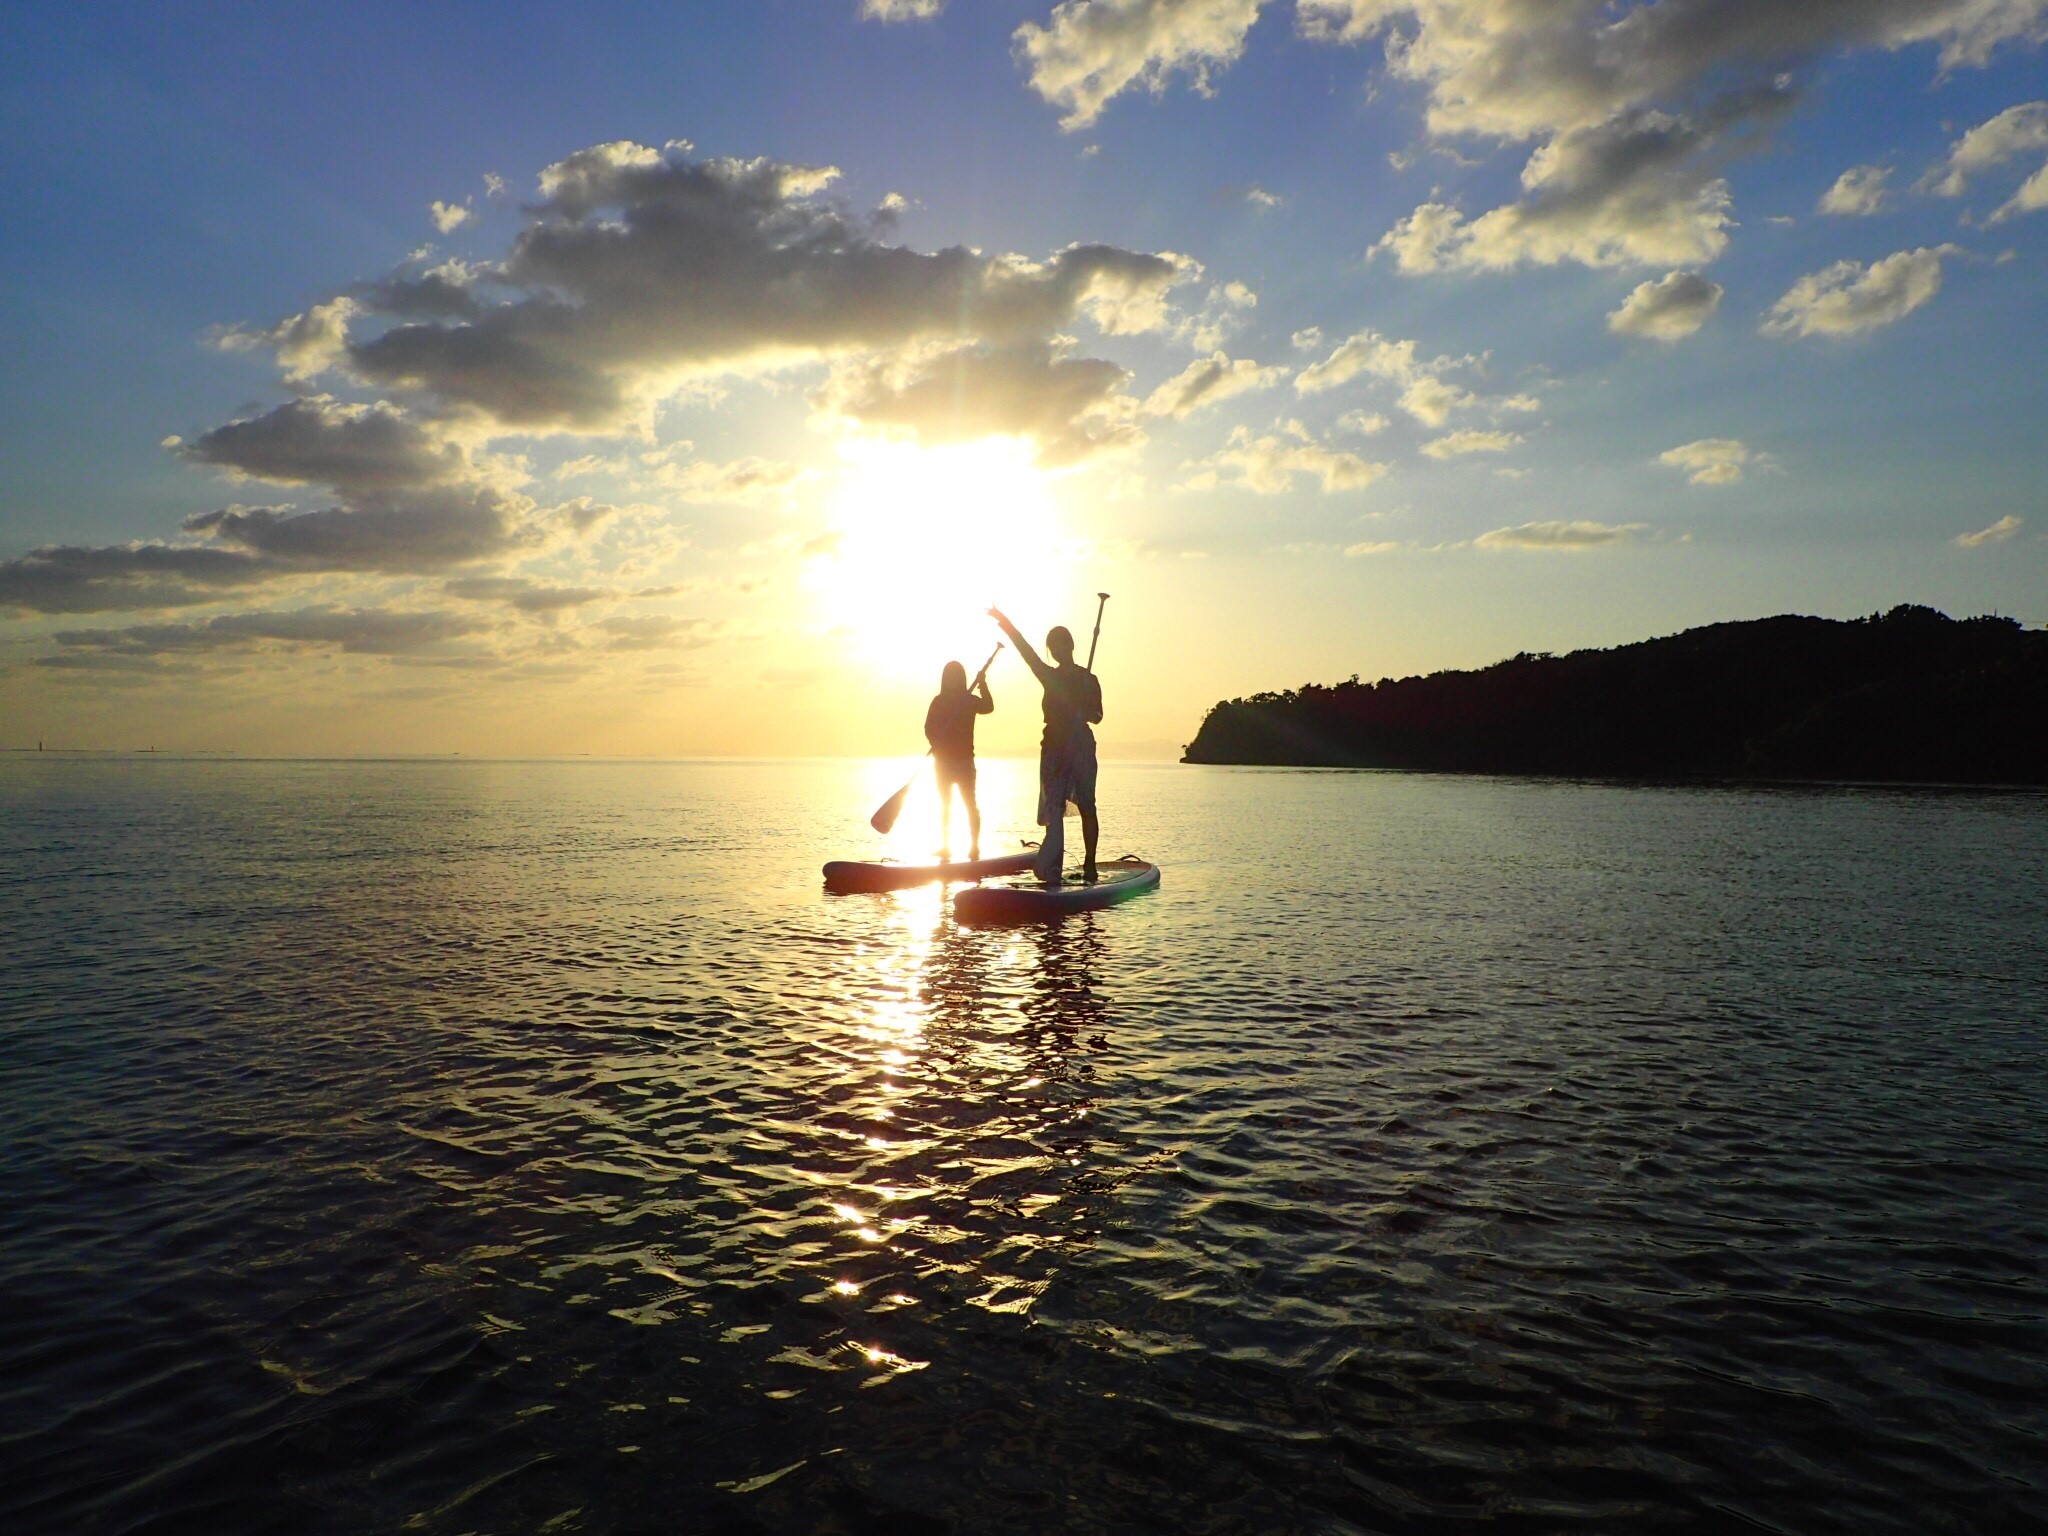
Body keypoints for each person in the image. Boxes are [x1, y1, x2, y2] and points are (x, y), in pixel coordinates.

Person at [989, 606, 1102, 884]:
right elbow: (1026, 651)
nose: (1057, 650)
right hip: (1053, 749)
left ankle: (1090, 863)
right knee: (1054, 809)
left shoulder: (1089, 680)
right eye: (1053, 647)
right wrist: (1005, 623)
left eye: (1062, 644)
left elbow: (1098, 716)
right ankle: (1054, 864)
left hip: (1081, 749)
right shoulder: (1049, 676)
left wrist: (1084, 709)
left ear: (1071, 646)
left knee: (1088, 805)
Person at [924, 657, 994, 860]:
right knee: (945, 805)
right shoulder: (938, 702)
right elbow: (928, 728)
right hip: (943, 763)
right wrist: (935, 742)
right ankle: (945, 847)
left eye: (956, 677)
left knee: (969, 804)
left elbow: (988, 706)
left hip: (964, 763)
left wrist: (983, 685)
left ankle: (974, 847)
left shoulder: (968, 700)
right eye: (950, 677)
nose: (953, 680)